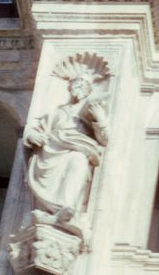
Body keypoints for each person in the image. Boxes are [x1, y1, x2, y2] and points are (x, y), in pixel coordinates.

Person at [23, 70, 109, 219]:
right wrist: (32, 135)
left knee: (78, 160)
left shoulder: (92, 110)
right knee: (70, 160)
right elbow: (37, 128)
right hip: (51, 149)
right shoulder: (57, 111)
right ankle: (49, 211)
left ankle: (66, 207)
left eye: (85, 83)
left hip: (77, 148)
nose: (81, 85)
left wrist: (100, 119)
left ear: (89, 90)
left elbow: (105, 139)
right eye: (78, 82)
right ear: (70, 86)